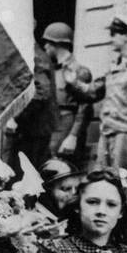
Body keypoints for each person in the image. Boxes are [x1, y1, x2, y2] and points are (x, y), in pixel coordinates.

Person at [82, 16, 127, 170]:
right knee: (103, 181)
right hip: (107, 131)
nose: (111, 39)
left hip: (125, 133)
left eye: (114, 34)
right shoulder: (114, 68)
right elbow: (93, 91)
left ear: (126, 36)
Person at [38, 23, 96, 165]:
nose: (45, 47)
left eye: (48, 43)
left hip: (67, 127)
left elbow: (84, 108)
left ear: (56, 44)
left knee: (63, 171)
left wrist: (73, 136)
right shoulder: (53, 71)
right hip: (52, 126)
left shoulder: (80, 71)